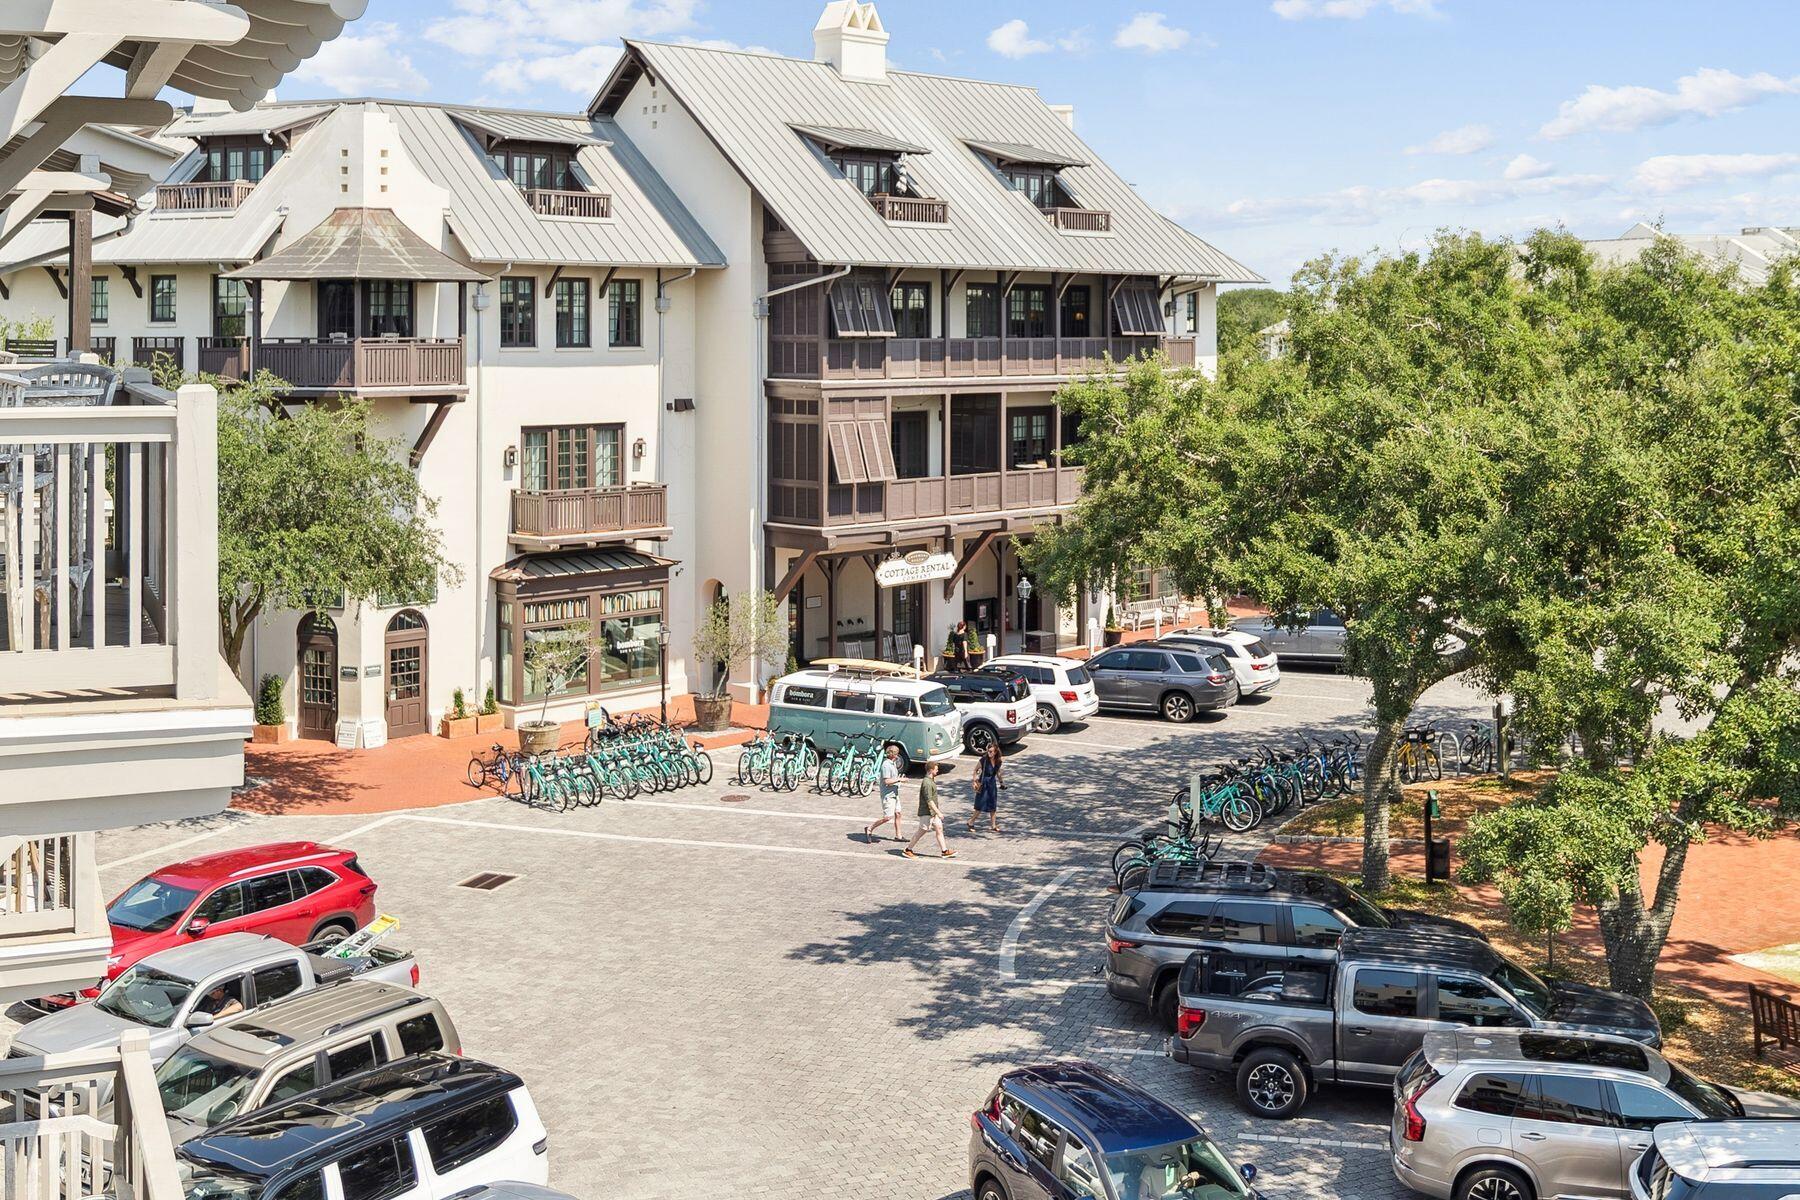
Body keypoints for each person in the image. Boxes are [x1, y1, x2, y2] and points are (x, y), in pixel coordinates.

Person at [903, 762, 954, 858]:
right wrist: (939, 813)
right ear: (931, 770)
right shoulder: (926, 783)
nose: (937, 771)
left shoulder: (931, 780)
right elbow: (929, 800)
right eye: (936, 769)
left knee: (939, 828)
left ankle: (944, 851)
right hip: (927, 812)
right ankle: (908, 849)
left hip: (933, 812)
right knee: (922, 831)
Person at [864, 743, 905, 842]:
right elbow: (887, 781)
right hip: (888, 795)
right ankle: (870, 828)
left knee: (898, 813)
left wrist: (899, 779)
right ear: (892, 754)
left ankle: (898, 836)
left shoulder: (892, 763)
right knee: (887, 817)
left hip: (894, 793)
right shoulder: (886, 765)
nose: (897, 755)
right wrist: (899, 780)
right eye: (896, 753)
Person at [967, 741, 1002, 833]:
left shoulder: (998, 761)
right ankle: (970, 822)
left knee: (993, 805)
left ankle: (993, 825)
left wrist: (1002, 782)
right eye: (988, 751)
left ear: (995, 752)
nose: (989, 753)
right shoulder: (983, 760)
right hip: (983, 783)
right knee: (980, 805)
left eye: (991, 751)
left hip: (992, 784)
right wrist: (974, 781)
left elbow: (998, 772)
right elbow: (975, 770)